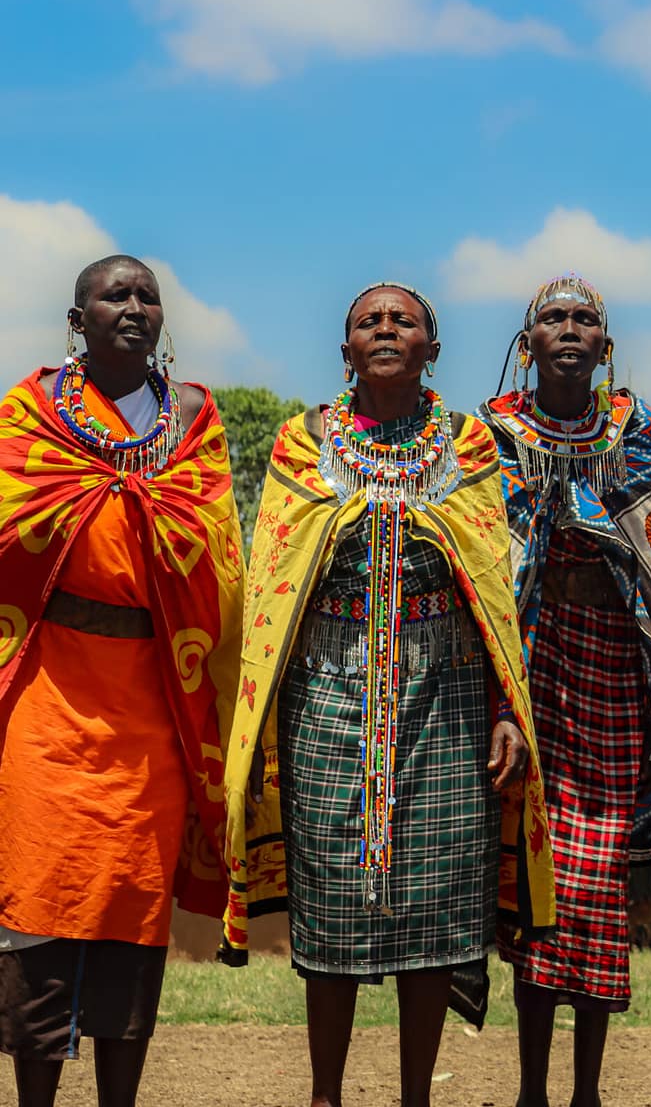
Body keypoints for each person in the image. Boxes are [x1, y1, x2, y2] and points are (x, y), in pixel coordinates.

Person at [219, 282, 556, 1107]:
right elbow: (273, 582)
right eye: (367, 320)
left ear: (431, 349)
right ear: (345, 352)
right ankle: (325, 1095)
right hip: (326, 692)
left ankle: (415, 1098)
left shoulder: (468, 445)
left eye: (403, 320)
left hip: (447, 691)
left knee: (436, 909)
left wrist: (508, 711)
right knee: (330, 902)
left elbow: (497, 584)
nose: (384, 328)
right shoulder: (302, 443)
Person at [0, 256, 243, 1107]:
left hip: (154, 701)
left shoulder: (193, 418)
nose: (135, 307)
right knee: (37, 898)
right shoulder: (30, 410)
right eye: (116, 295)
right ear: (79, 320)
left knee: (134, 912)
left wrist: (131, 502)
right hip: (49, 697)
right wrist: (110, 499)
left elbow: (217, 550)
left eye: (148, 296)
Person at [480, 275, 651, 1107]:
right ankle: (531, 1089)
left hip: (614, 667)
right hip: (530, 667)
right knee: (540, 877)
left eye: (584, 318)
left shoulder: (636, 430)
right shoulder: (490, 432)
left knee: (596, 883)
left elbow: (642, 539)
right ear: (527, 344)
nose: (568, 329)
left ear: (606, 344)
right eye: (552, 318)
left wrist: (563, 509)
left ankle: (586, 1090)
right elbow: (492, 541)